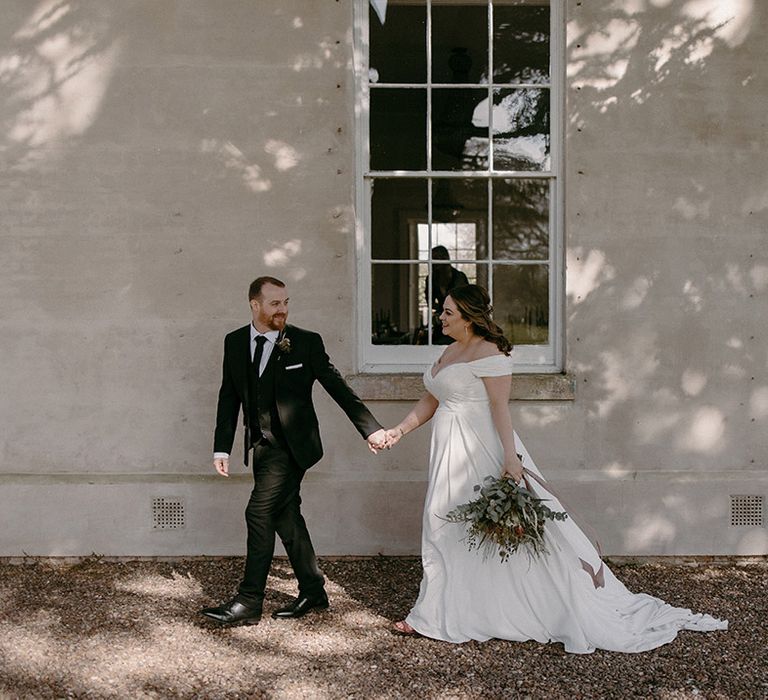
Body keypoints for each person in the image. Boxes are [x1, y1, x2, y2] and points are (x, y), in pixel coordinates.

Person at [382, 284, 727, 652]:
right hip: (447, 449)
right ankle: (439, 612)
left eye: (448, 312)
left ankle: (447, 615)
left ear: (469, 317)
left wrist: (510, 458)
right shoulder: (449, 350)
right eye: (443, 311)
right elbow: (432, 398)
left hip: (480, 450)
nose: (441, 317)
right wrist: (397, 432)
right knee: (442, 525)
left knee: (480, 531)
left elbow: (500, 408)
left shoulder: (491, 354)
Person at [200, 276, 387, 626]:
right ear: (255, 305)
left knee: (257, 513)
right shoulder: (235, 342)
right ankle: (314, 589)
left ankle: (249, 600)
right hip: (261, 447)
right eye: (275, 303)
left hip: (293, 448)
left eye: (286, 302)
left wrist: (370, 429)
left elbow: (337, 386)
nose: (282, 309)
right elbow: (229, 396)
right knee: (285, 518)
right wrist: (221, 447)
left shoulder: (305, 342)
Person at [425, 246, 469, 344]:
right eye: (432, 258)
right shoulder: (431, 279)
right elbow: (429, 301)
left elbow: (464, 302)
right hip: (442, 321)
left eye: (437, 258)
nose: (434, 262)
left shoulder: (459, 277)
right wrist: (439, 312)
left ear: (445, 259)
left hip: (458, 320)